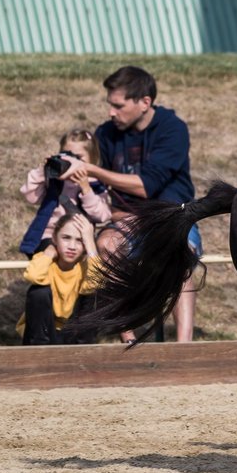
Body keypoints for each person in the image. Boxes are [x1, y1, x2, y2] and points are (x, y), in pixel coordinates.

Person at [61, 66, 200, 342]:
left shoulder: (173, 129)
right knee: (106, 246)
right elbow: (94, 189)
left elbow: (146, 185)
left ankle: (185, 349)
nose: (111, 112)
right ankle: (129, 339)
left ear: (144, 102)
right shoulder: (106, 133)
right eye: (109, 105)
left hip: (171, 217)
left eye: (118, 105)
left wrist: (91, 170)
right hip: (124, 217)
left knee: (178, 257)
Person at [18, 128, 112, 256]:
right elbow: (31, 197)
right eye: (67, 155)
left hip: (78, 238)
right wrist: (42, 171)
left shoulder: (95, 185)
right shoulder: (54, 179)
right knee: (50, 252)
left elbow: (102, 216)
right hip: (49, 235)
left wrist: (86, 189)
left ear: (92, 160)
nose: (72, 161)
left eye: (78, 157)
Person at [17, 213, 101, 345]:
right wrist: (49, 252)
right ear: (55, 239)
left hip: (73, 332)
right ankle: (39, 351)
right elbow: (33, 276)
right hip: (43, 332)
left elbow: (95, 284)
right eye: (66, 238)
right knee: (38, 292)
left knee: (94, 295)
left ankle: (82, 351)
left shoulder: (86, 267)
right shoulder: (45, 259)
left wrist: (90, 243)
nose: (72, 246)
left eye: (80, 240)